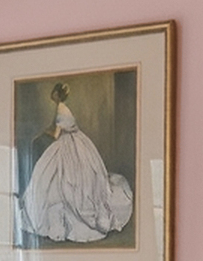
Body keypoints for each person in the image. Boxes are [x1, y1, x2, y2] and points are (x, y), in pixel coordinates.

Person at [20, 82, 134, 244]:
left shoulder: (61, 109)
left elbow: (55, 134)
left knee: (59, 177)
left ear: (57, 94)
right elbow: (56, 127)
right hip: (76, 141)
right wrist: (46, 131)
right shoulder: (62, 108)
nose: (52, 95)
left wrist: (40, 137)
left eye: (54, 93)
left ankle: (64, 218)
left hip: (68, 143)